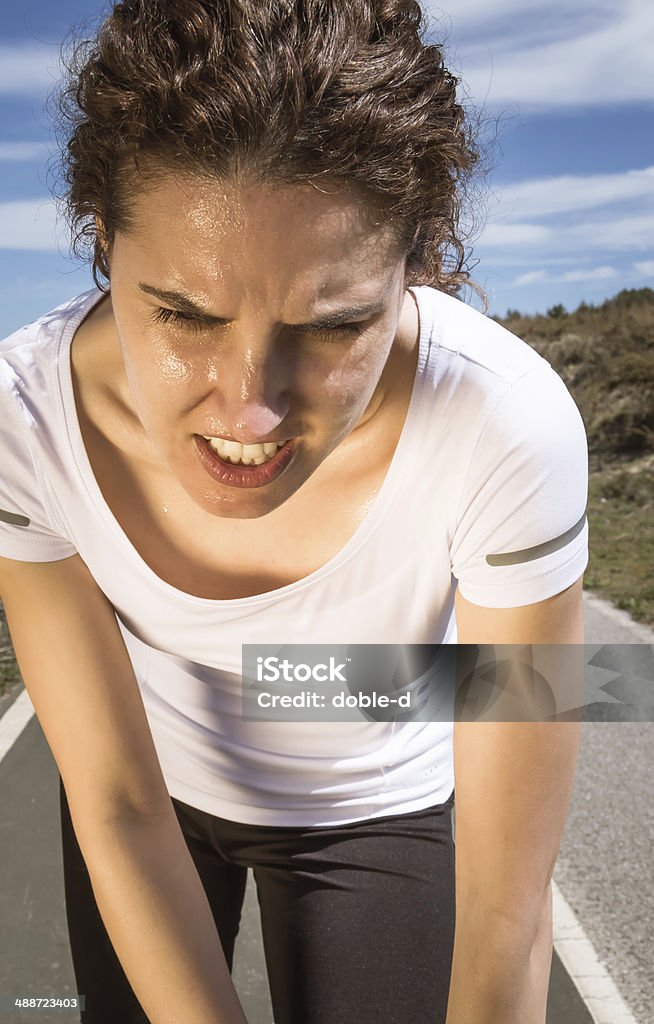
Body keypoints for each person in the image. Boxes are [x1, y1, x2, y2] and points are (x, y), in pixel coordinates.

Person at [0, 1, 588, 1022]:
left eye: (335, 325)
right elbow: (118, 801)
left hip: (375, 809)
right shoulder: (22, 425)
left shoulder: (509, 423)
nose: (251, 410)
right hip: (153, 797)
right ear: (102, 241)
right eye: (183, 313)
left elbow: (505, 911)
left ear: (413, 268)